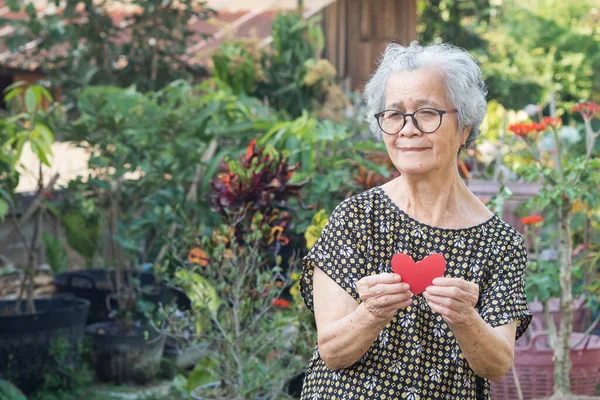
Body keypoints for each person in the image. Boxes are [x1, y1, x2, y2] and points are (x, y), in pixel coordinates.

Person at [300, 41, 532, 399]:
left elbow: (497, 365)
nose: (408, 129)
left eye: (427, 112)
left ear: (465, 127)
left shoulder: (501, 243)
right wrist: (373, 312)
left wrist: (465, 318)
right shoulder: (355, 219)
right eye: (394, 115)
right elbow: (332, 352)